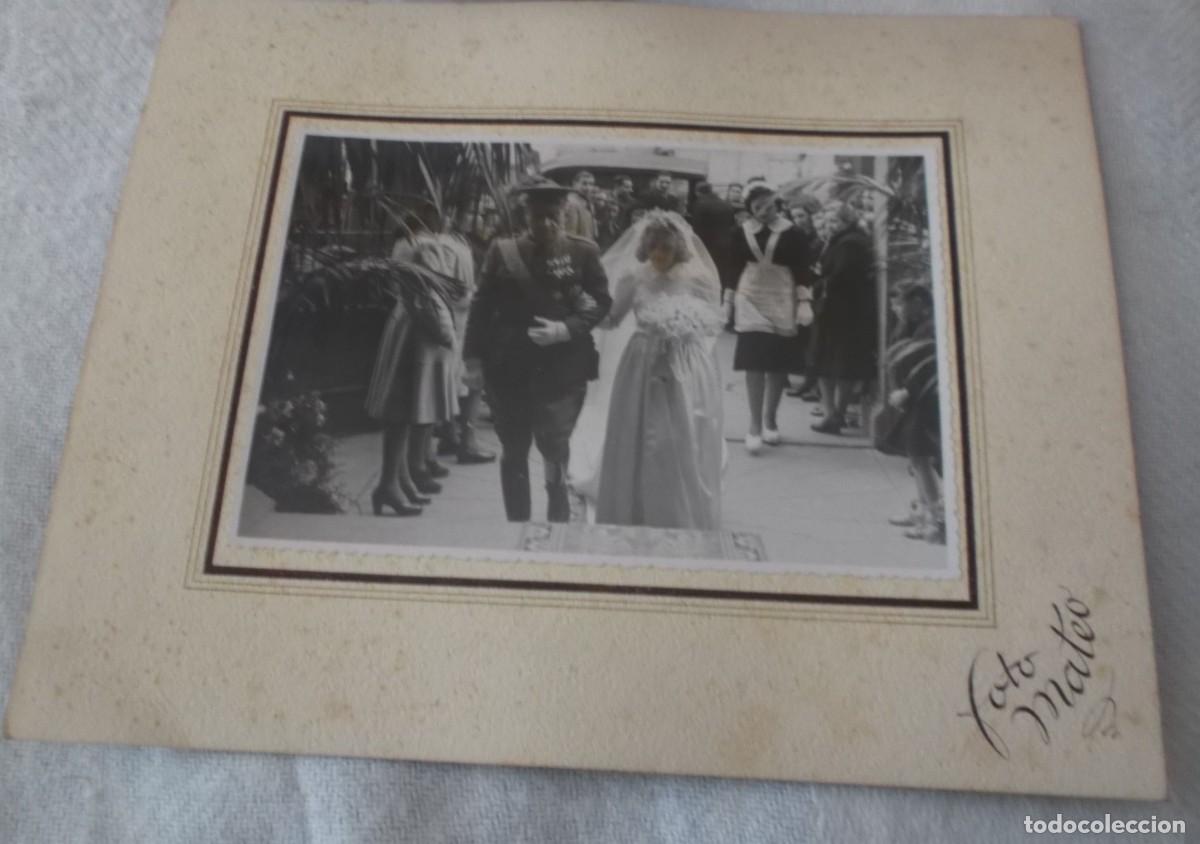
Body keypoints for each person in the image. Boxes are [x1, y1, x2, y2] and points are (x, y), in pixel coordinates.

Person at [462, 176, 612, 522]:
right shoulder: (503, 251)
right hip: (508, 366)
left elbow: (601, 302)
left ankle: (558, 512)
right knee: (513, 449)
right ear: (525, 216)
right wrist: (472, 360)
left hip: (564, 369)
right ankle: (517, 523)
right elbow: (481, 308)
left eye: (552, 217)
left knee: (555, 446)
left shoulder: (583, 251)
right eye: (536, 217)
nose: (545, 224)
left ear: (564, 214)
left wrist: (565, 329)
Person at [582, 211, 725, 529]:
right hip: (642, 360)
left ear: (679, 249)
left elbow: (710, 318)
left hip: (684, 361)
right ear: (646, 247)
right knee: (644, 429)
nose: (660, 255)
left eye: (667, 249)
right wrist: (584, 307)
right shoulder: (634, 276)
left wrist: (688, 327)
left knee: (681, 428)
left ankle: (678, 501)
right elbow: (614, 318)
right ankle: (636, 501)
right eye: (654, 248)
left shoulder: (696, 278)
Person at [365, 210, 467, 516]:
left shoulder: (407, 243)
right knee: (404, 409)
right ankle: (389, 483)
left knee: (406, 410)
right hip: (421, 329)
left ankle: (399, 480)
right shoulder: (426, 246)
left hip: (408, 323)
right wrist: (446, 332)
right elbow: (431, 291)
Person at [723, 185, 816, 454]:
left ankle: (770, 419)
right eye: (758, 207)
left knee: (777, 364)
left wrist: (804, 301)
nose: (764, 211)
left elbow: (802, 269)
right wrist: (727, 301)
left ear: (777, 204)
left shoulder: (793, 233)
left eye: (769, 205)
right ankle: (753, 425)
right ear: (749, 207)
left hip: (782, 297)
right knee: (754, 362)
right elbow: (733, 267)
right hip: (750, 297)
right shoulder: (739, 232)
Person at [879, 284, 944, 544]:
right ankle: (922, 510)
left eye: (900, 304)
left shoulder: (930, 329)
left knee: (920, 458)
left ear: (916, 302)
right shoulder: (914, 326)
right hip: (914, 400)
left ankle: (935, 519)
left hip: (922, 400)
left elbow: (928, 365)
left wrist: (908, 391)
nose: (896, 310)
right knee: (916, 458)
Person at [810, 202, 879, 434]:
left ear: (846, 221)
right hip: (850, 312)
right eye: (827, 221)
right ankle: (835, 412)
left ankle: (833, 414)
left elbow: (839, 277)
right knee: (842, 365)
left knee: (829, 364)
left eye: (834, 221)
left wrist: (818, 283)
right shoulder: (852, 240)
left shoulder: (848, 243)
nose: (829, 226)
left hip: (838, 312)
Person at [562, 170, 598, 241]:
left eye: (591, 184)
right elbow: (571, 234)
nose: (588, 188)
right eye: (584, 184)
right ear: (574, 184)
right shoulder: (571, 203)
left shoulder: (587, 201)